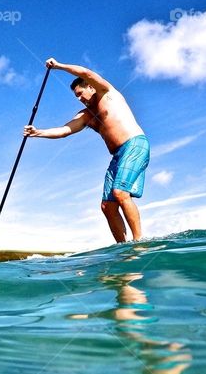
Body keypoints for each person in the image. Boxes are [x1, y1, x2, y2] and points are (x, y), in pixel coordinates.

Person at [24, 58, 149, 242]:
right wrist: (38, 132)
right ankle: (123, 247)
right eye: (77, 97)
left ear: (91, 87)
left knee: (121, 193)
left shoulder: (107, 93)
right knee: (107, 205)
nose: (80, 99)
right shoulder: (86, 115)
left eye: (81, 93)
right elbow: (64, 130)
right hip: (117, 156)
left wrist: (59, 66)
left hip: (134, 144)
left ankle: (139, 242)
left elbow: (86, 73)